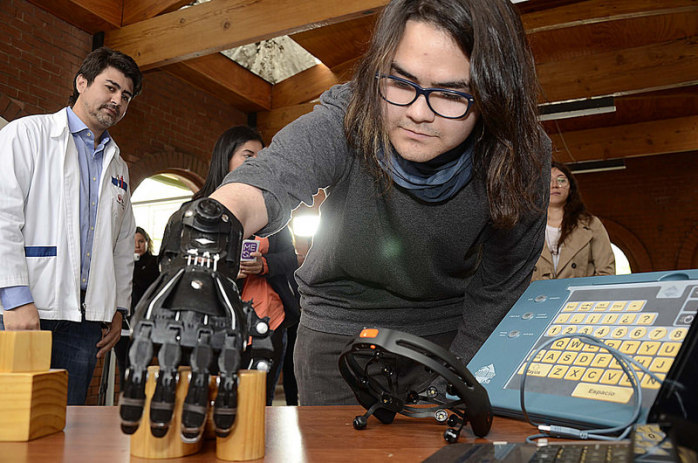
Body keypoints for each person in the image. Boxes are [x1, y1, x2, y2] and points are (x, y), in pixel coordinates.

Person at [209, 0, 551, 405]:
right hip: (336, 335)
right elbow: (274, 173)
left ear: (494, 94)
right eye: (402, 83)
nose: (418, 113)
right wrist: (211, 222)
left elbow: (500, 285)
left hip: (449, 335)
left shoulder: (521, 156)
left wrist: (455, 374)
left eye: (451, 94)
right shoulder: (352, 112)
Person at [0, 47, 142, 405]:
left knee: (67, 421)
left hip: (84, 322)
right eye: (110, 87)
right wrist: (15, 298)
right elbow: (3, 218)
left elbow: (122, 244)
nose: (117, 100)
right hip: (27, 308)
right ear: (81, 82)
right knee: (11, 418)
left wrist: (117, 308)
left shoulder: (118, 166)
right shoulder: (27, 134)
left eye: (126, 96)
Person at [194, 126, 300, 406]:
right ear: (226, 158)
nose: (257, 162)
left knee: (259, 405)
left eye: (262, 157)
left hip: (268, 321)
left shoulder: (273, 211)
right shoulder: (201, 208)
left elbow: (290, 258)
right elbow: (186, 264)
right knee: (212, 402)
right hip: (214, 323)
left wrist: (264, 265)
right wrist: (226, 268)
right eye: (248, 155)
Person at [532, 161, 615, 280]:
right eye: (548, 180)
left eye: (561, 180)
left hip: (580, 292)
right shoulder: (528, 227)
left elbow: (606, 272)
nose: (554, 185)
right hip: (538, 292)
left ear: (571, 187)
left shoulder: (591, 224)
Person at [114, 227, 159, 389]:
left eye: (141, 241)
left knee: (140, 367)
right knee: (123, 367)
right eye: (133, 242)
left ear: (147, 243)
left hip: (144, 325)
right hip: (122, 325)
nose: (137, 245)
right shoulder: (121, 263)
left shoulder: (155, 264)